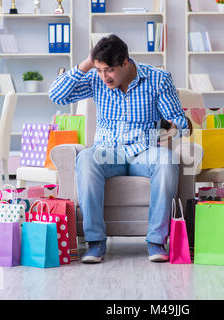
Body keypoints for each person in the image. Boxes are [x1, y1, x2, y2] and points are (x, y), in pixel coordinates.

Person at [49, 34, 188, 263]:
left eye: (109, 70)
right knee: (85, 158)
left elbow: (178, 119)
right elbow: (56, 96)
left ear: (125, 62)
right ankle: (95, 242)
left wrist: (174, 127)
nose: (104, 77)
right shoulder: (96, 78)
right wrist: (86, 64)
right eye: (99, 69)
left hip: (144, 152)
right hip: (107, 153)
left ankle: (156, 241)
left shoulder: (158, 78)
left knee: (167, 160)